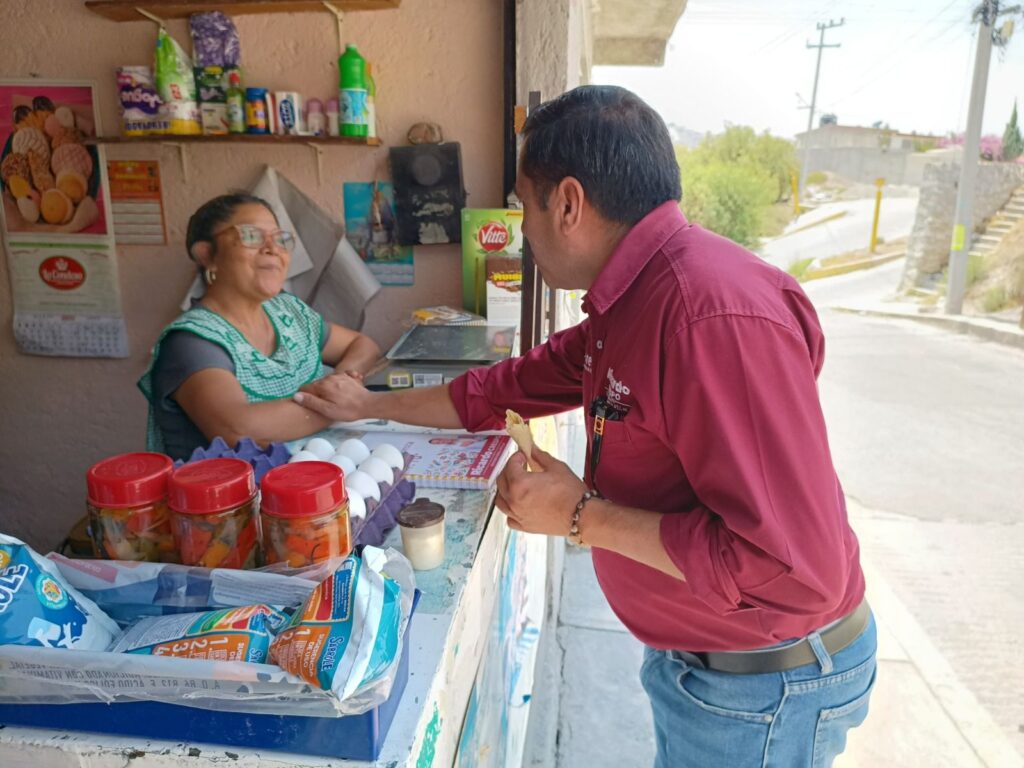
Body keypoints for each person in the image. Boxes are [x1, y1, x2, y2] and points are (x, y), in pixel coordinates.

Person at [295, 86, 875, 767]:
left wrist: (581, 516)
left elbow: (791, 571)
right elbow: (499, 389)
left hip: (764, 688)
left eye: (522, 208)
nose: (520, 232)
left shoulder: (706, 317)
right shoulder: (632, 302)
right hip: (710, 670)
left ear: (567, 204)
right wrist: (368, 405)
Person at [138, 193, 381, 460]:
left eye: (280, 239)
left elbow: (363, 346)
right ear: (207, 255)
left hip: (310, 480)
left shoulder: (288, 311)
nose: (272, 248)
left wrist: (341, 382)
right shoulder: (192, 341)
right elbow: (239, 429)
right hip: (232, 498)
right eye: (251, 236)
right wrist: (337, 404)